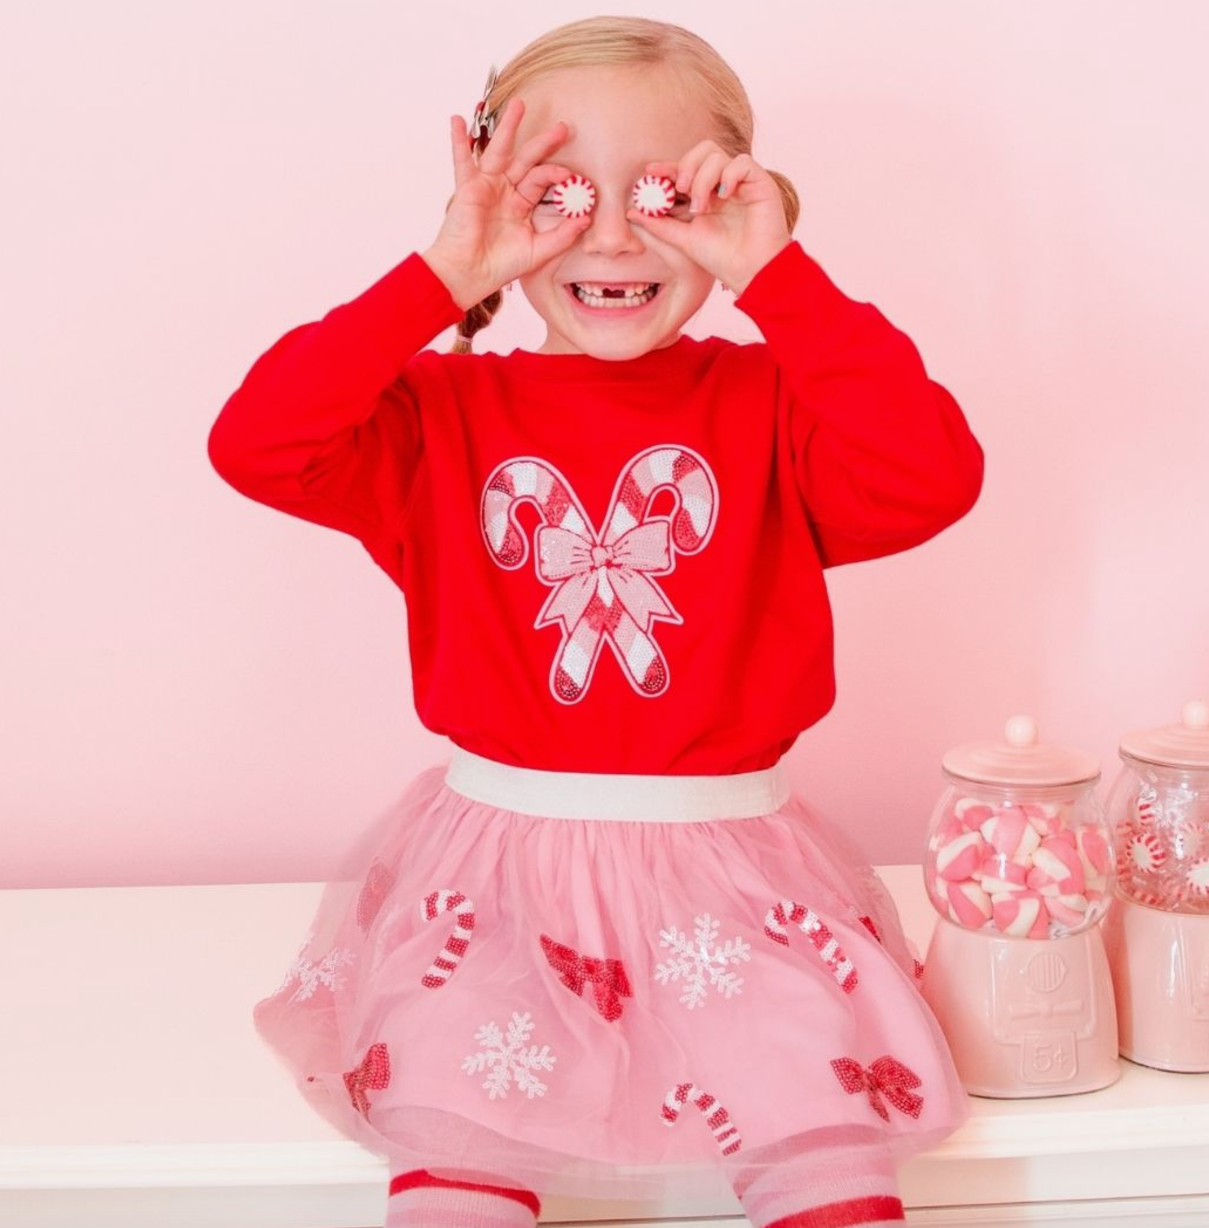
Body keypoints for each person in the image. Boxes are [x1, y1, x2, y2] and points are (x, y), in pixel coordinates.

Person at [208, 15, 984, 1228]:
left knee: (823, 1159)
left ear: (735, 202)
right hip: (495, 884)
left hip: (737, 884)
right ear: (497, 207)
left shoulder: (777, 405)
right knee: (464, 1151)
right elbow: (256, 441)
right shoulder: (432, 418)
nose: (615, 233)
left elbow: (931, 472)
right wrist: (438, 276)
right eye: (562, 194)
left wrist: (780, 281)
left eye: (667, 194)